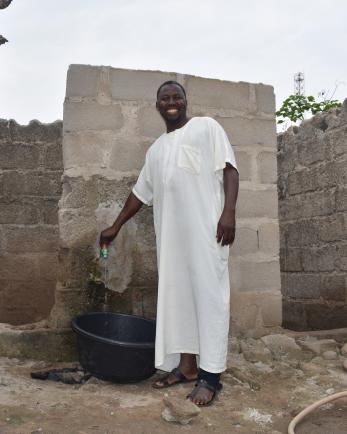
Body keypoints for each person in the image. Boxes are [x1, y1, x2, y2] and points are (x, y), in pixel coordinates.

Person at [100, 80, 239, 406]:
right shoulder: (157, 150)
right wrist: (115, 226)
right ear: (158, 105)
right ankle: (187, 368)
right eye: (165, 98)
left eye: (177, 96)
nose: (171, 102)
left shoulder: (207, 128)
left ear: (185, 100)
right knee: (179, 302)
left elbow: (230, 170)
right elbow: (139, 194)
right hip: (173, 242)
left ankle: (211, 377)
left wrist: (228, 213)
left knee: (209, 300)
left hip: (208, 233)